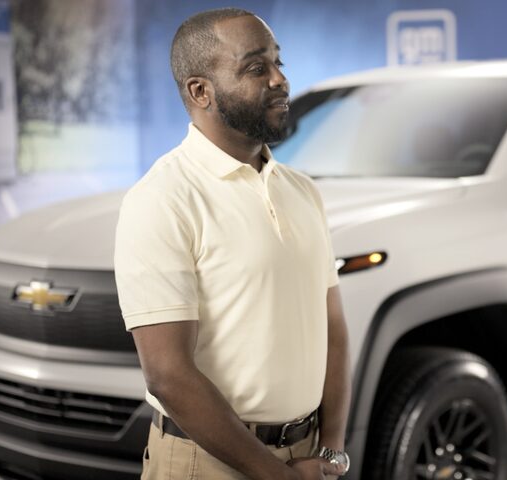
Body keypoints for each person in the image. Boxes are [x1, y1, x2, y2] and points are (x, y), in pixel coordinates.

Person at [114, 8, 350, 480]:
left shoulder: (303, 192)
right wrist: (276, 475)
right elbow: (168, 374)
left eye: (279, 63)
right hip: (206, 462)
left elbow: (333, 330)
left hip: (306, 457)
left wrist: (331, 451)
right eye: (256, 68)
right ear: (200, 91)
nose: (281, 80)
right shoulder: (162, 198)